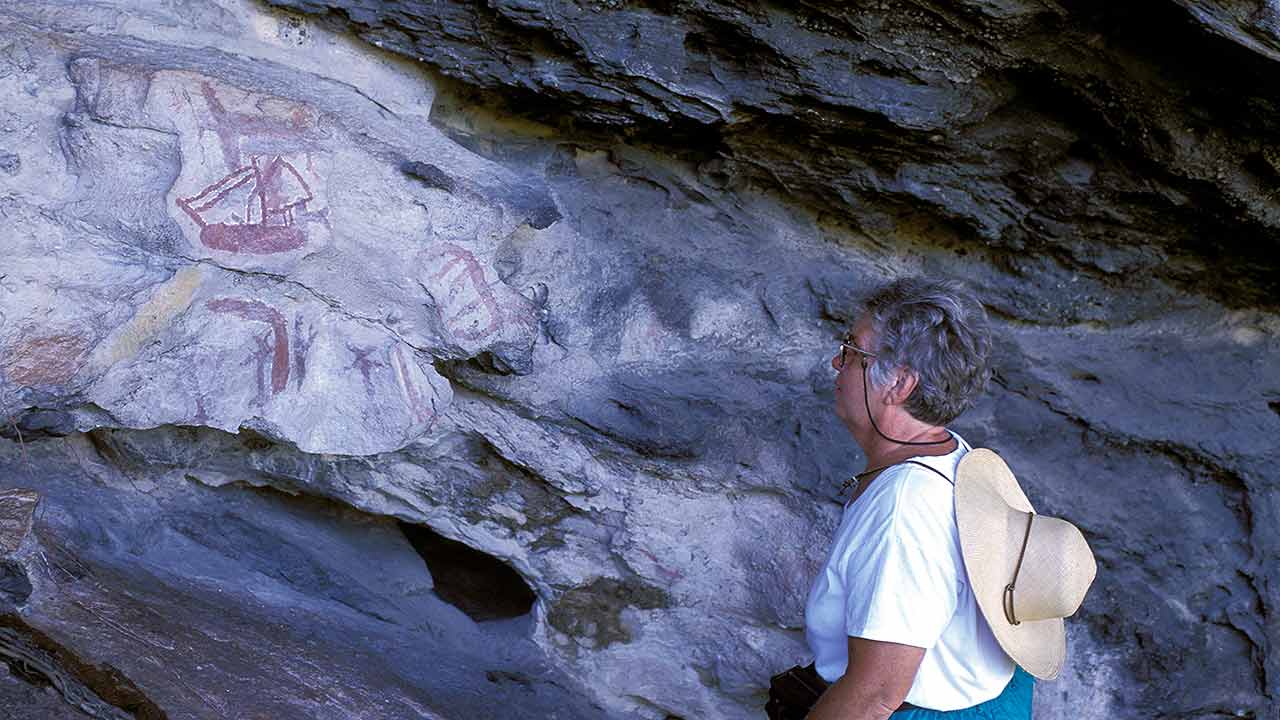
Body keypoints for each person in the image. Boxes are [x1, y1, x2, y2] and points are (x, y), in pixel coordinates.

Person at [802, 277, 1033, 719]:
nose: (836, 362)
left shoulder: (903, 509)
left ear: (900, 384)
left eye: (852, 350)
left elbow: (875, 696)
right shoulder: (956, 455)